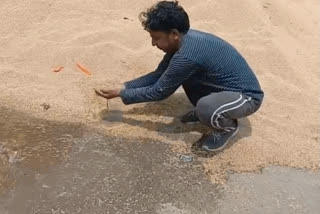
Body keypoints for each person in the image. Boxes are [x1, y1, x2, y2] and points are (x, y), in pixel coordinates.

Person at [95, 0, 264, 152]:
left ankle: (227, 128)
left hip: (246, 98)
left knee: (206, 107)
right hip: (223, 90)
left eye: (156, 38)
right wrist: (125, 86)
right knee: (182, 78)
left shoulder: (187, 56)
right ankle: (207, 111)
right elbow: (159, 75)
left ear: (174, 34)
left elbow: (159, 91)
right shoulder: (183, 42)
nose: (153, 44)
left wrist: (121, 94)